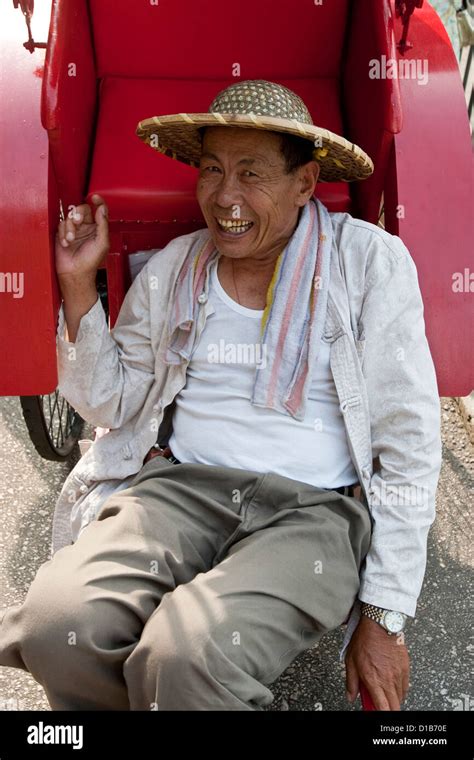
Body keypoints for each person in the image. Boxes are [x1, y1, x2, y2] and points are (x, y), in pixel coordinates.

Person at [0, 80, 441, 711]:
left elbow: (409, 444)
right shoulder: (178, 267)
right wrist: (77, 287)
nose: (225, 197)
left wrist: (386, 614)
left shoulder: (368, 264)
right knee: (55, 626)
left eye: (251, 173)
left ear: (306, 183)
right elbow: (113, 403)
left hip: (312, 513)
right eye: (212, 169)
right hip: (178, 490)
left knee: (184, 657)